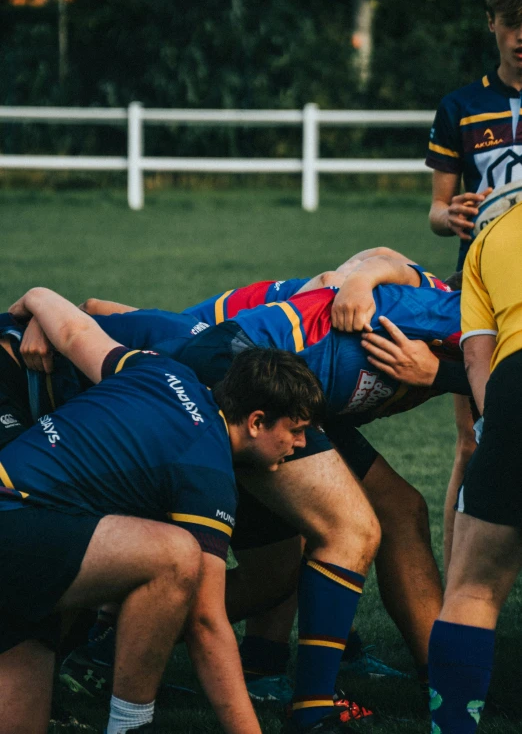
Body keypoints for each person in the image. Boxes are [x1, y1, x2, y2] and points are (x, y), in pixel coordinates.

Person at [27, 254, 466, 728]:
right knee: (347, 529)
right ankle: (314, 706)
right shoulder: (429, 308)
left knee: (294, 560)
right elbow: (355, 271)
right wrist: (41, 314)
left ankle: (243, 664)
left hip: (286, 404)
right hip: (232, 378)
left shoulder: (442, 339)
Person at [0, 286, 326, 734]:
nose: (302, 444)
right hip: (15, 525)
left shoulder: (157, 368)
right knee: (175, 556)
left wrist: (36, 296)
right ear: (254, 422)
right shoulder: (207, 469)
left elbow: (76, 331)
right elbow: (207, 623)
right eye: (297, 429)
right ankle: (131, 726)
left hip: (29, 542)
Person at [426, 0, 522, 574]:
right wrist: (452, 215)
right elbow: (436, 211)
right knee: (474, 441)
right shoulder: (461, 107)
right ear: (491, 23)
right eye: (513, 22)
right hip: (481, 296)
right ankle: (453, 594)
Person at [428, 197, 522, 734]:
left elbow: (476, 359)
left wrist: (501, 430)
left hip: (515, 387)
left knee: (472, 589)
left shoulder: (490, 235)